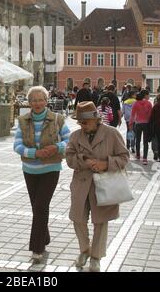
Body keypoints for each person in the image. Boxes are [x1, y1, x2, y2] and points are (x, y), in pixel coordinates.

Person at [66, 101, 129, 272]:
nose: (81, 125)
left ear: (96, 119)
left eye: (84, 122)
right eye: (79, 122)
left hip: (105, 184)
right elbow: (69, 158)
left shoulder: (112, 134)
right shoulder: (75, 136)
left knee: (100, 222)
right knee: (77, 219)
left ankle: (96, 257)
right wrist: (85, 161)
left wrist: (106, 164)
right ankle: (85, 250)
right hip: (81, 185)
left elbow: (124, 157)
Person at [13, 85, 70, 264]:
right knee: (38, 208)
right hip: (30, 170)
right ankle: (44, 237)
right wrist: (34, 154)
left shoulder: (58, 119)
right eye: (33, 100)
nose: (37, 103)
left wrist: (56, 147)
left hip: (50, 168)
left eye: (41, 99)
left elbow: (70, 141)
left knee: (40, 207)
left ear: (46, 101)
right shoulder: (23, 120)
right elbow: (17, 146)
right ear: (29, 103)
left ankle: (37, 248)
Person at [129, 90, 153, 164]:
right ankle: (145, 158)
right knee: (145, 142)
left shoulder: (135, 103)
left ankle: (138, 155)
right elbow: (150, 115)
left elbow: (132, 115)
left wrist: (130, 124)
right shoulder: (149, 103)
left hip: (137, 124)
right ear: (145, 95)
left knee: (138, 140)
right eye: (148, 95)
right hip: (146, 124)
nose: (149, 96)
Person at [150, 95, 160, 162]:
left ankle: (157, 154)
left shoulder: (156, 106)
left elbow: (151, 117)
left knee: (157, 140)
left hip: (157, 126)